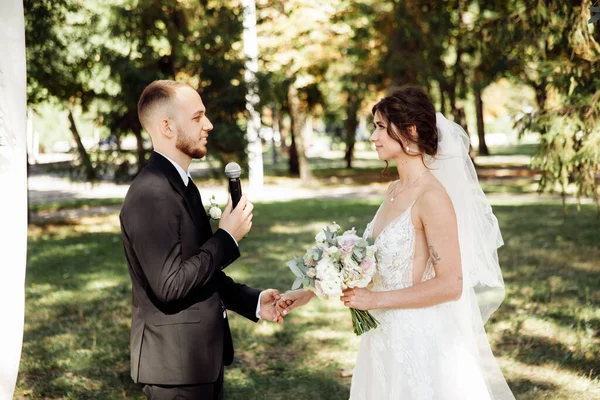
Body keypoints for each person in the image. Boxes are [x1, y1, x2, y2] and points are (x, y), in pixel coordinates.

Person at [278, 87, 515, 399]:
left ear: (409, 130)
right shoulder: (394, 190)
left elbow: (451, 285)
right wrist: (308, 292)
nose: (373, 137)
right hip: (381, 337)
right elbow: (361, 261)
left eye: (379, 127)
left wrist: (374, 301)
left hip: (417, 340)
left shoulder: (432, 197)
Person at [120, 80, 283, 400]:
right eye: (197, 118)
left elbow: (199, 271)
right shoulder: (152, 193)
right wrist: (226, 237)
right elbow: (170, 286)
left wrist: (254, 301)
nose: (208, 125)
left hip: (196, 362)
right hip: (175, 371)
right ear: (167, 127)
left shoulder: (182, 185)